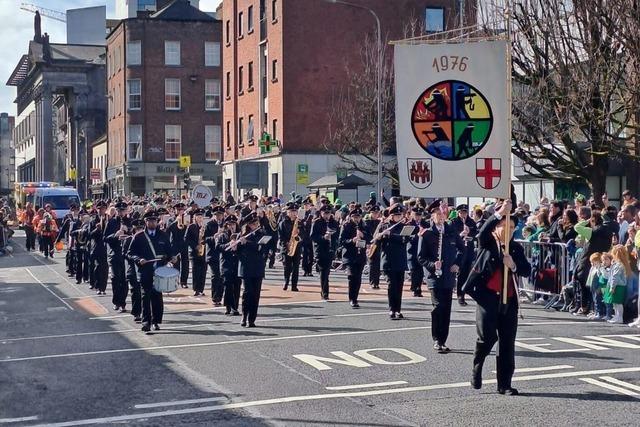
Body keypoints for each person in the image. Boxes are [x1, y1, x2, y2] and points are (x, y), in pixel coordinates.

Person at [462, 199, 531, 396]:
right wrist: (500, 212)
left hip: (509, 300)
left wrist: (514, 266)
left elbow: (526, 270)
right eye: (504, 225)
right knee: (487, 338)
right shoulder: (488, 242)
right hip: (488, 298)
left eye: (512, 226)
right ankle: (477, 366)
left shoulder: (515, 248)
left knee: (507, 342)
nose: (508, 229)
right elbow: (482, 231)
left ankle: (505, 384)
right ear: (497, 227)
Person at [418, 204, 465, 353]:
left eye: (443, 213)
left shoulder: (451, 232)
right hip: (434, 276)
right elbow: (421, 257)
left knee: (447, 308)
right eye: (437, 214)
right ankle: (437, 339)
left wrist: (457, 264)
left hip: (448, 276)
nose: (440, 216)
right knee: (438, 306)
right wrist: (432, 265)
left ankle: (443, 340)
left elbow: (462, 249)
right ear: (432, 216)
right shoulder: (427, 234)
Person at [126, 210, 176, 333]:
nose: (152, 223)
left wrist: (172, 258)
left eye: (154, 220)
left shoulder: (163, 235)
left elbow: (169, 252)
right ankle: (146, 322)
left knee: (157, 297)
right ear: (145, 222)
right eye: (150, 220)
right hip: (145, 270)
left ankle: (156, 321)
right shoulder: (139, 237)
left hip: (159, 270)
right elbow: (130, 253)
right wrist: (138, 259)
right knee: (145, 296)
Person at [236, 212, 269, 327]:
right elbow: (237, 253)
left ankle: (252, 319)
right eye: (253, 223)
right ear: (249, 225)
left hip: (258, 267)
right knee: (247, 292)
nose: (256, 225)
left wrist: (248, 243)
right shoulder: (242, 235)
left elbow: (261, 248)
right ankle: (244, 316)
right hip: (246, 268)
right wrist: (237, 245)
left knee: (256, 294)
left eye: (257, 223)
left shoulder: (262, 234)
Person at [376, 203, 409, 319]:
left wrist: (391, 235)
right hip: (388, 261)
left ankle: (398, 310)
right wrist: (380, 236)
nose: (398, 217)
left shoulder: (404, 226)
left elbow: (405, 239)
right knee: (391, 285)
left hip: (400, 260)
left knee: (399, 286)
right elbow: (376, 241)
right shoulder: (384, 226)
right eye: (396, 215)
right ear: (391, 216)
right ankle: (391, 309)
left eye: (400, 215)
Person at [339, 207, 369, 308]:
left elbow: (370, 238)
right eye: (355, 217)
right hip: (349, 255)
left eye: (359, 217)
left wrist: (363, 235)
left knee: (358, 278)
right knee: (352, 277)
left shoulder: (364, 225)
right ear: (351, 217)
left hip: (360, 255)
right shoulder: (346, 226)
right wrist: (352, 240)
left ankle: (355, 297)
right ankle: (352, 299)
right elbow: (341, 241)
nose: (357, 219)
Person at [103, 201, 131, 312]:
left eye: (123, 210)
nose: (121, 213)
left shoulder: (130, 222)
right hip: (114, 254)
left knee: (125, 279)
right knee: (115, 278)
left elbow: (136, 235)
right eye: (119, 211)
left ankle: (123, 302)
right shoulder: (111, 222)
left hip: (126, 254)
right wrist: (115, 235)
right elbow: (105, 238)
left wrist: (128, 232)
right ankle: (116, 302)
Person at [451, 204, 478, 305]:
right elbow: (451, 235)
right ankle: (459, 295)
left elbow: (476, 233)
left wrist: (470, 234)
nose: (463, 214)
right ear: (458, 212)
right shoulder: (454, 222)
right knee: (459, 273)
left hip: (469, 250)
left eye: (465, 212)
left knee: (466, 273)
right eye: (461, 212)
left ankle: (463, 293)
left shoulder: (471, 222)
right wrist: (460, 235)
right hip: (459, 251)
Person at [311, 205, 338, 300]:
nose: (327, 215)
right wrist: (323, 238)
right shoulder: (317, 222)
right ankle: (325, 292)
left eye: (329, 213)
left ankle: (324, 291)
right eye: (325, 213)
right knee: (323, 271)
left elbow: (337, 235)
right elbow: (313, 236)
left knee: (327, 272)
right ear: (321, 213)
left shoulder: (334, 222)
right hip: (320, 250)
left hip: (330, 250)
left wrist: (333, 240)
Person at [216, 215, 241, 316]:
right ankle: (228, 306)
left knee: (237, 286)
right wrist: (229, 245)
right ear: (226, 225)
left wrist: (239, 245)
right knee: (228, 286)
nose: (232, 226)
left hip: (237, 263)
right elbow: (218, 247)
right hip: (226, 264)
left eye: (233, 224)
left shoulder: (240, 234)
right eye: (230, 224)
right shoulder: (222, 235)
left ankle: (235, 307)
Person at [123, 219, 144, 322]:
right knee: (135, 292)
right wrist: (136, 259)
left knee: (144, 292)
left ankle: (146, 312)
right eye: (138, 229)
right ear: (134, 229)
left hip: (144, 269)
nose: (140, 230)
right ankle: (136, 313)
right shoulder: (129, 240)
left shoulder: (146, 240)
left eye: (142, 228)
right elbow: (125, 254)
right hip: (133, 269)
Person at [279, 203, 303, 291]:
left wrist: (300, 237)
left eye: (295, 211)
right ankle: (286, 282)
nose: (294, 213)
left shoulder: (299, 222)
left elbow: (304, 233)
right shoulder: (283, 223)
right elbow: (281, 236)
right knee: (287, 267)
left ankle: (294, 285)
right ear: (288, 212)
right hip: (287, 247)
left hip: (297, 246)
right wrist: (286, 243)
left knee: (296, 267)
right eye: (292, 211)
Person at [604, 245, 630, 324]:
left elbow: (615, 276)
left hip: (617, 286)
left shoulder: (618, 265)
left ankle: (619, 317)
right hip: (618, 285)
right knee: (615, 302)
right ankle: (617, 316)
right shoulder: (620, 264)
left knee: (618, 303)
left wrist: (612, 287)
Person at [186, 209, 208, 297]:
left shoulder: (205, 227)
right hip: (194, 252)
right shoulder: (191, 227)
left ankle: (201, 289)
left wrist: (203, 243)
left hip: (203, 251)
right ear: (195, 218)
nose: (199, 218)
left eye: (201, 217)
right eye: (198, 217)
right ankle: (196, 289)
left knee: (203, 271)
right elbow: (186, 239)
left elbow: (208, 237)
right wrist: (195, 246)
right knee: (195, 271)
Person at [167, 203, 189, 289]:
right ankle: (175, 281)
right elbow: (168, 230)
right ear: (175, 210)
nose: (180, 211)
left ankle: (184, 281)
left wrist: (187, 225)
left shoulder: (187, 219)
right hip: (174, 244)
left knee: (185, 264)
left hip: (184, 243)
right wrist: (176, 221)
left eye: (181, 210)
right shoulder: (171, 220)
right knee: (175, 264)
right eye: (178, 209)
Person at [364, 206, 382, 289]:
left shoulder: (380, 222)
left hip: (378, 244)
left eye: (377, 213)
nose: (376, 214)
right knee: (371, 263)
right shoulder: (367, 222)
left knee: (377, 264)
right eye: (374, 213)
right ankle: (372, 282)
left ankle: (376, 282)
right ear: (370, 213)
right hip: (370, 244)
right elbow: (366, 234)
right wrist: (368, 242)